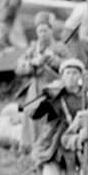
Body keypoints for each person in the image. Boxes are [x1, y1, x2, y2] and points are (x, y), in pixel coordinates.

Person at [24, 58, 87, 175]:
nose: (71, 77)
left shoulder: (85, 99)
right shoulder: (54, 95)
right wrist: (45, 97)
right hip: (52, 145)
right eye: (68, 73)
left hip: (74, 149)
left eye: (75, 73)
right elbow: (32, 112)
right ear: (62, 75)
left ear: (81, 76)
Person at [16, 12, 67, 152]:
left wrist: (54, 60)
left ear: (51, 30)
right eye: (40, 31)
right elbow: (19, 67)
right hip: (35, 88)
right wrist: (32, 64)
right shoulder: (33, 49)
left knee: (51, 119)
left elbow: (69, 67)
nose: (43, 34)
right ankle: (31, 147)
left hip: (54, 89)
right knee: (32, 116)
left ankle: (49, 147)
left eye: (45, 30)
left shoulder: (59, 48)